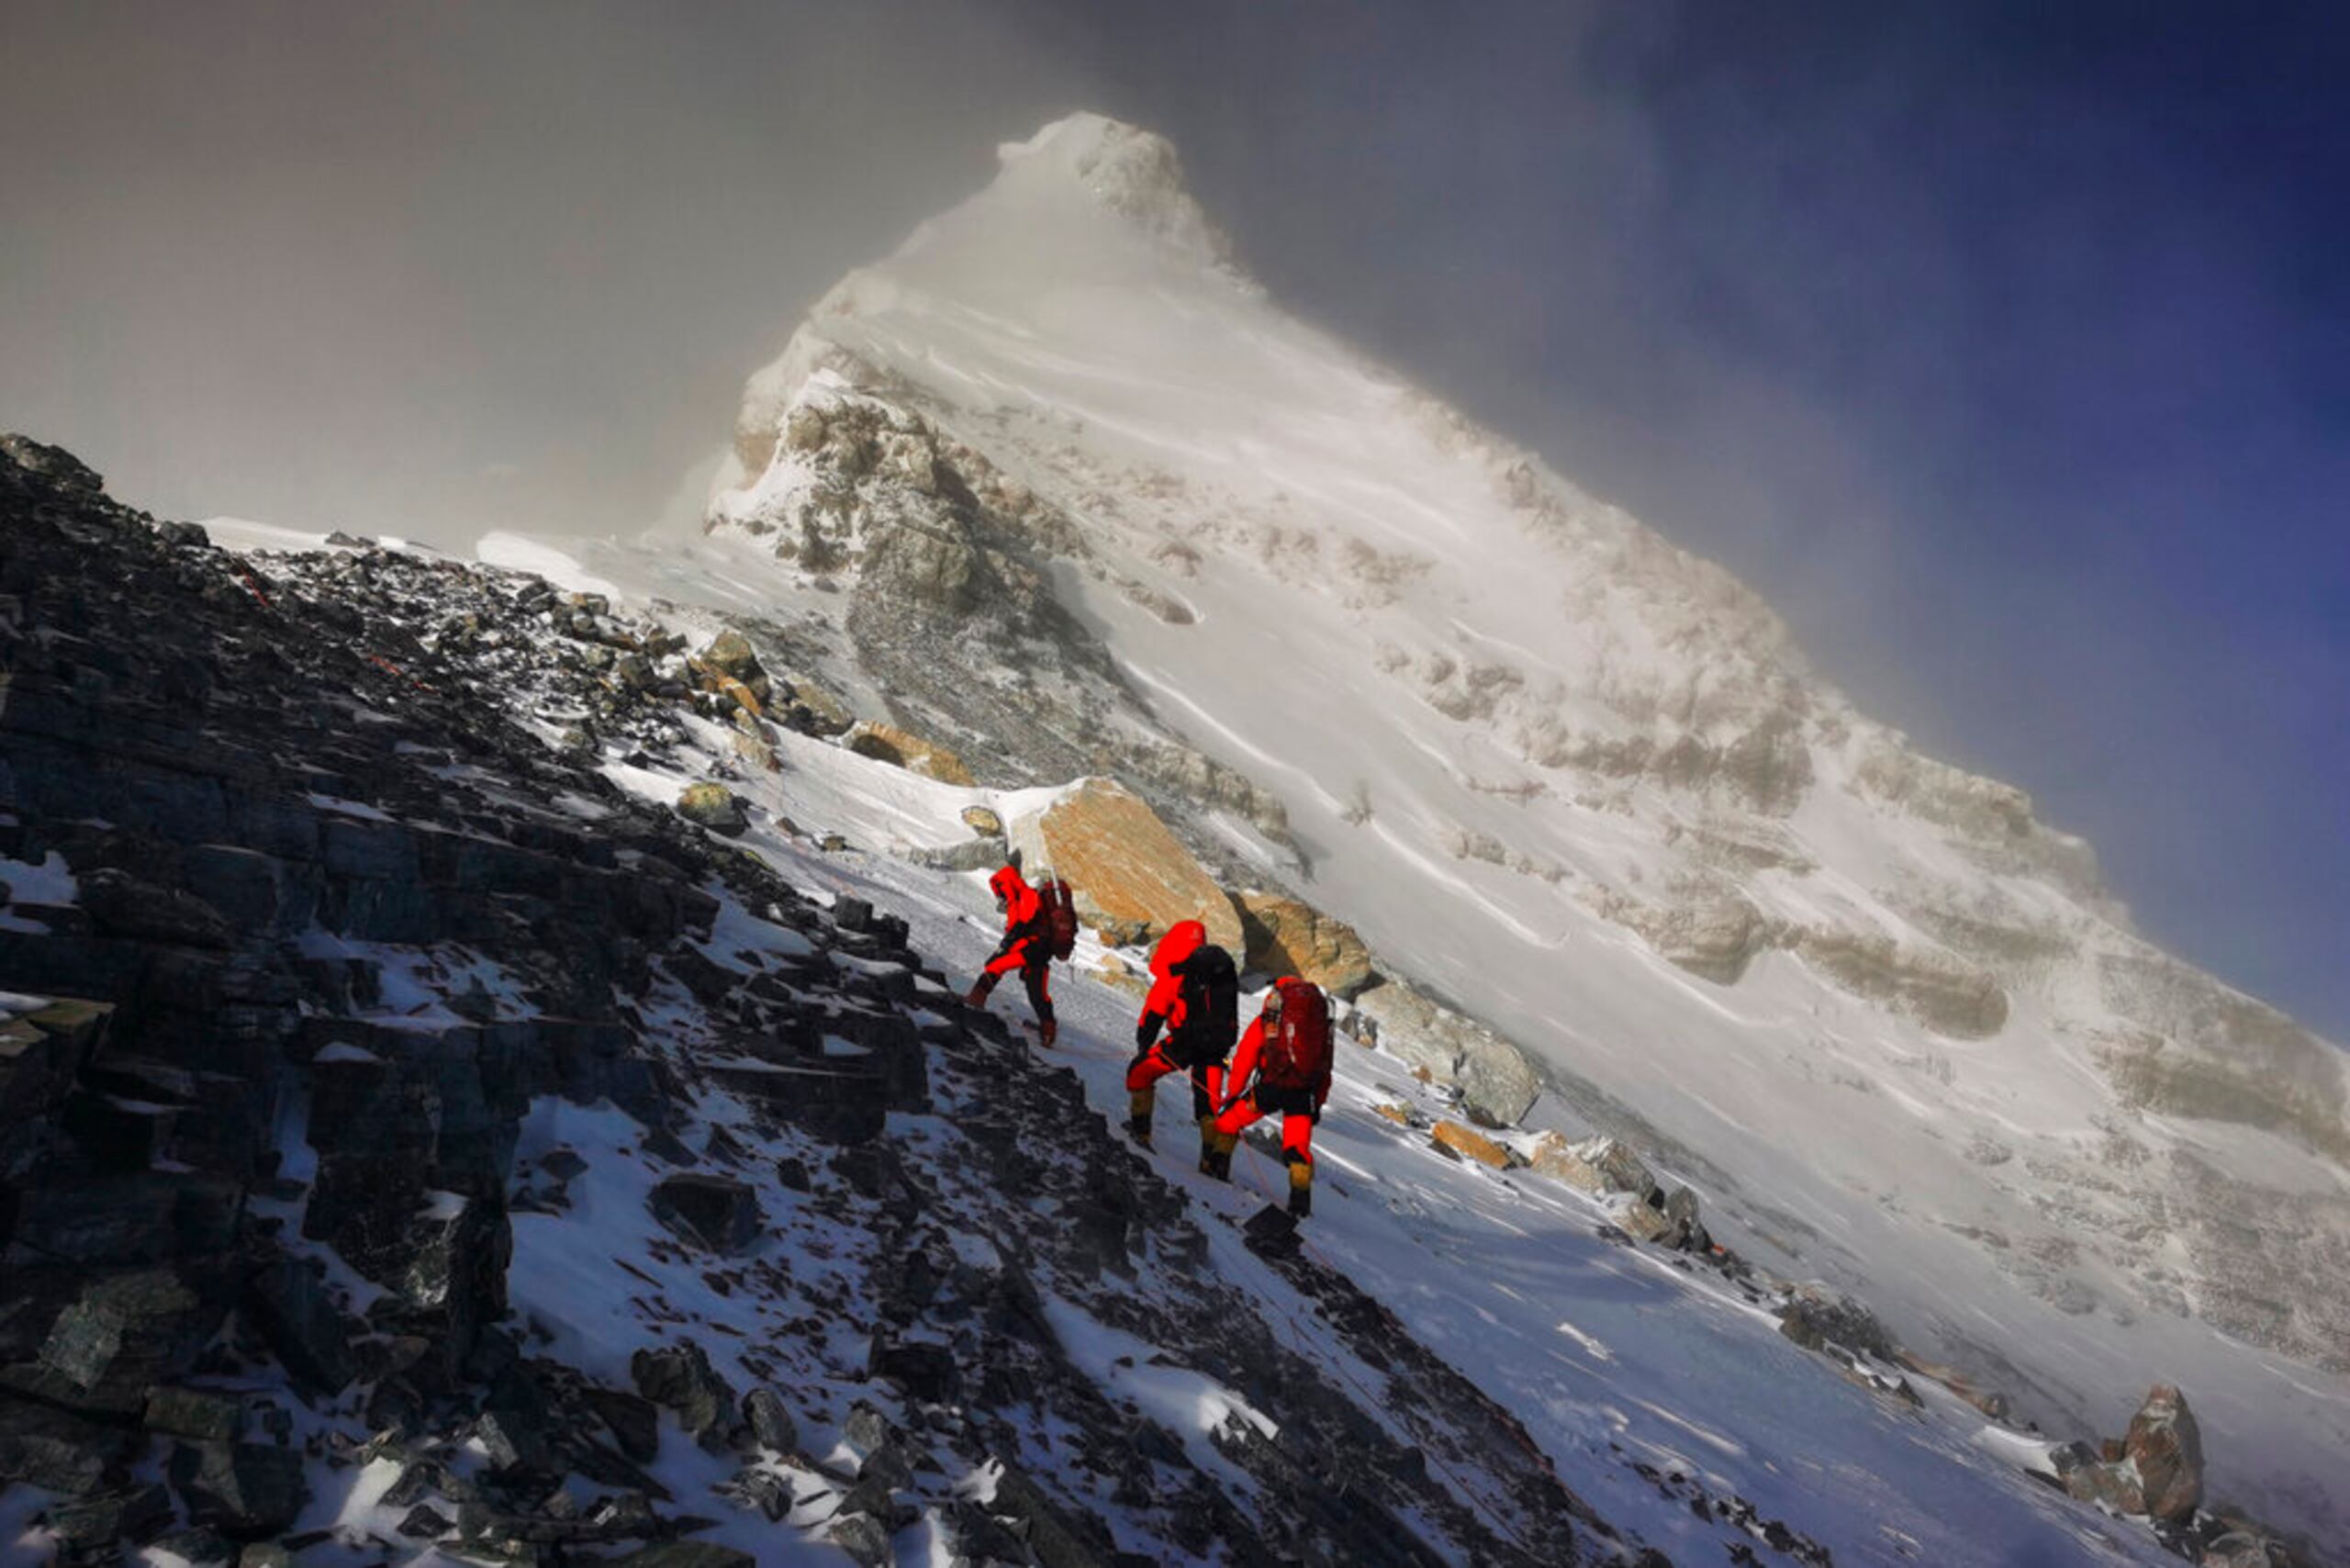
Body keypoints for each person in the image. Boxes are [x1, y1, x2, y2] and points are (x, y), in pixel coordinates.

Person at [1206, 977, 1333, 1217]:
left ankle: (1217, 1170)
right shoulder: (1319, 1027)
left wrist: (1233, 1093)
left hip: (1270, 1088)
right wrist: (1317, 1102)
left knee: (1228, 1123)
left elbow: (1246, 1056)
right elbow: (1325, 1068)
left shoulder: (1271, 1017)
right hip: (1303, 1093)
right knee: (1297, 1148)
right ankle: (1300, 1206)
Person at [1124, 921, 1238, 1165]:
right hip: (1216, 1048)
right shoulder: (1218, 970)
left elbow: (1153, 1014)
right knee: (1208, 1105)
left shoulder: (1177, 969)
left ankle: (1140, 1132)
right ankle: (1211, 1164)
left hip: (1185, 1042)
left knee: (1140, 1073)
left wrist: (1143, 1047)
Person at [963, 864, 1057, 1047]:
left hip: (1032, 949)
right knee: (1037, 993)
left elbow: (1021, 928)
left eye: (1001, 892)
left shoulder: (1026, 896)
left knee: (995, 966)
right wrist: (1006, 945)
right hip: (1037, 951)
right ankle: (1048, 1032)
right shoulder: (1022, 898)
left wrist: (1005, 946)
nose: (1000, 898)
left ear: (1007, 886)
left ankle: (976, 999)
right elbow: (1019, 930)